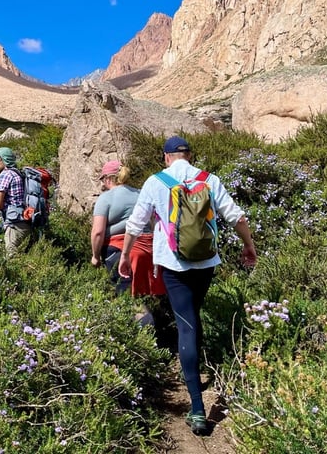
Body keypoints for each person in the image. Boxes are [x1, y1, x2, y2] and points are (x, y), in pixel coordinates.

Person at [118, 136, 257, 436]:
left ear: (166, 157)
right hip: (206, 263)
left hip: (173, 265)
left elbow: (136, 223)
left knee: (186, 325)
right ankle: (196, 370)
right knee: (193, 314)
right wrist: (249, 245)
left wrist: (126, 255)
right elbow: (236, 216)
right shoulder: (209, 179)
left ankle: (197, 409)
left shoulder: (156, 182)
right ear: (189, 156)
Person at [90, 160, 163, 321]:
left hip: (120, 250)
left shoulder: (106, 198)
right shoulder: (140, 193)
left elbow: (98, 232)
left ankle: (142, 330)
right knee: (145, 294)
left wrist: (95, 256)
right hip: (148, 249)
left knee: (128, 297)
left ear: (108, 179)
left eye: (102, 179)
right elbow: (153, 222)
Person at [0, 146, 31, 256]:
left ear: (3, 160)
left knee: (12, 256)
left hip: (14, 224)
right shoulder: (17, 173)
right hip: (26, 220)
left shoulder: (5, 174)